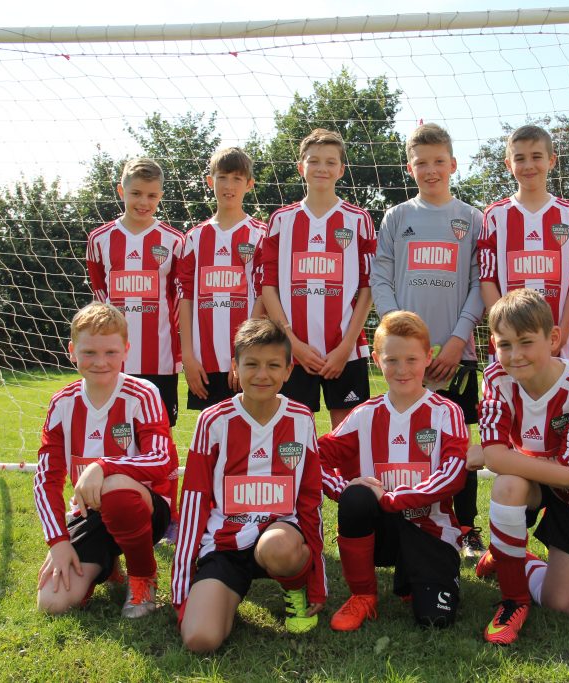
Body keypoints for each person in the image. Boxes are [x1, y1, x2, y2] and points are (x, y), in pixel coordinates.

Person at [171, 318, 326, 653]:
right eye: (251, 364)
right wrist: (182, 587)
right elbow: (195, 500)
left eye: (273, 365)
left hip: (279, 535)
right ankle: (221, 595)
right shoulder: (212, 421)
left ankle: (294, 587)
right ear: (235, 367)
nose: (262, 374)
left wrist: (316, 579)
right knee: (200, 639)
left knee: (278, 548)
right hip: (225, 543)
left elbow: (310, 498)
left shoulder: (301, 418)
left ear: (288, 370)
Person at [370, 122, 486, 557]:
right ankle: (408, 519)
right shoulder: (397, 217)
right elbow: (380, 277)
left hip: (456, 354)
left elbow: (479, 283)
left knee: (457, 444)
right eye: (422, 163)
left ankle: (467, 528)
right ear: (410, 167)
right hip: (405, 357)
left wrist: (457, 340)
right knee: (406, 439)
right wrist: (396, 330)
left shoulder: (472, 219)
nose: (431, 170)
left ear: (453, 164)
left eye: (439, 161)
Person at [318, 311, 468, 631]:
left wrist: (389, 498)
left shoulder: (446, 412)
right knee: (356, 497)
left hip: (430, 531)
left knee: (435, 618)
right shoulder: (365, 414)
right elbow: (315, 458)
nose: (402, 370)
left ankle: (415, 577)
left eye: (412, 359)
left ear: (428, 358)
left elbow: (453, 474)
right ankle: (363, 595)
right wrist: (345, 489)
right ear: (376, 360)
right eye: (392, 360)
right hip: (383, 532)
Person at [474, 288, 569, 645]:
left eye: (526, 342)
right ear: (494, 344)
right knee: (507, 485)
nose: (515, 355)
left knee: (562, 604)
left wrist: (495, 455)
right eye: (504, 344)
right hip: (535, 481)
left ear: (553, 338)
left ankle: (511, 555)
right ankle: (513, 600)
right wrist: (561, 472)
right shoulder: (495, 377)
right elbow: (497, 459)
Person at [34, 302, 178, 618]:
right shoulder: (62, 403)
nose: (100, 362)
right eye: (89, 352)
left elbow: (163, 459)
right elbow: (46, 478)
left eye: (111, 352)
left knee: (115, 489)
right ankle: (108, 564)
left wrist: (103, 466)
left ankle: (143, 576)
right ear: (72, 351)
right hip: (90, 512)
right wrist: (58, 542)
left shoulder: (143, 394)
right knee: (53, 604)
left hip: (145, 509)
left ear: (126, 350)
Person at [257, 128, 375, 430]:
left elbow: (368, 286)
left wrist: (346, 346)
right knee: (292, 436)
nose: (322, 168)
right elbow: (268, 286)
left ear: (341, 169)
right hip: (292, 351)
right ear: (301, 167)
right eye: (314, 161)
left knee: (348, 436)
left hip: (345, 351)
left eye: (330, 162)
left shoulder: (358, 219)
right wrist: (292, 342)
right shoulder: (281, 220)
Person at [86, 157, 184, 427]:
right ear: (121, 191)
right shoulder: (99, 239)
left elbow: (177, 298)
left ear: (161, 196)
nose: (144, 202)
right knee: (113, 428)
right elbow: (100, 293)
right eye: (136, 193)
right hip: (113, 359)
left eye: (152, 196)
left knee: (160, 429)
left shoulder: (174, 240)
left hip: (160, 359)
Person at [478, 124, 569, 360]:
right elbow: (487, 279)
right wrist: (503, 332)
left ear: (551, 160)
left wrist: (562, 334)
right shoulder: (495, 215)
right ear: (509, 165)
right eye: (520, 158)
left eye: (536, 156)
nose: (528, 165)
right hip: (509, 346)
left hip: (557, 343)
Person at [177, 146, 268, 412]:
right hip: (203, 362)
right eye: (222, 178)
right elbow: (185, 297)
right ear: (210, 181)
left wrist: (244, 353)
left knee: (250, 428)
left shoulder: (260, 234)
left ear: (249, 184)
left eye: (237, 178)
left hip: (246, 359)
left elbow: (263, 295)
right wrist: (188, 357)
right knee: (210, 431)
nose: (229, 186)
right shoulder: (194, 238)